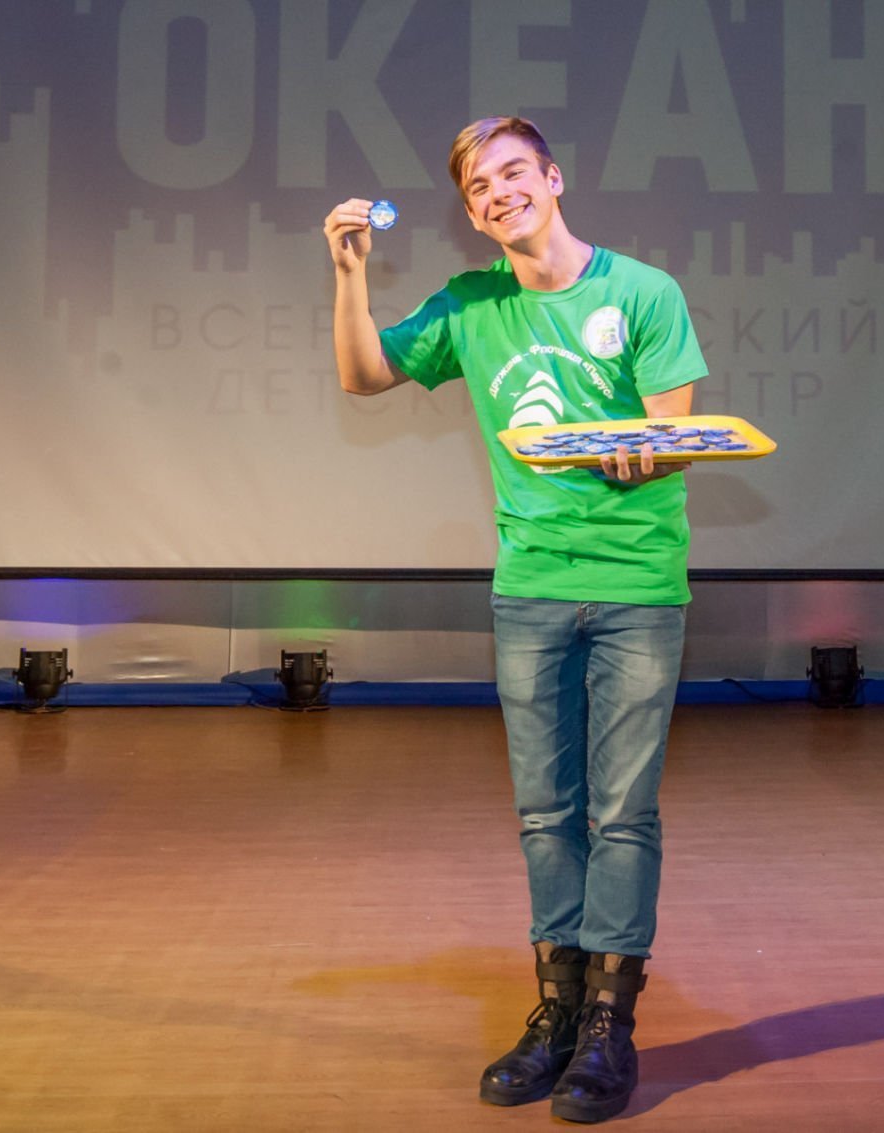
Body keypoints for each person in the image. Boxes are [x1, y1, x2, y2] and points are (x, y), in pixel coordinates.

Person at [322, 116, 706, 1124]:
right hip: (529, 587)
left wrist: (643, 450)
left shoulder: (643, 292)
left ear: (552, 177)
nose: (498, 194)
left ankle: (610, 1025)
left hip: (636, 586)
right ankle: (558, 1012)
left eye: (511, 173)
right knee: (544, 811)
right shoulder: (470, 303)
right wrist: (351, 275)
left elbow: (675, 429)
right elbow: (363, 374)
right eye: (477, 188)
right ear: (472, 213)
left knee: (622, 812)